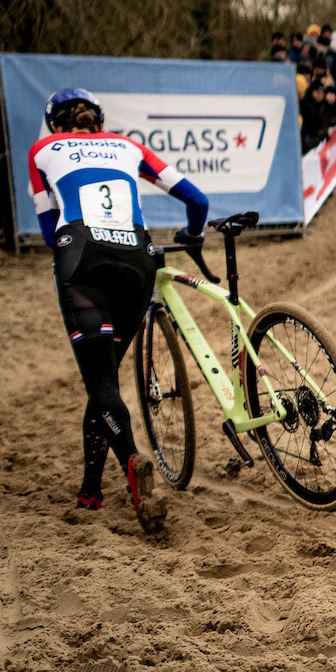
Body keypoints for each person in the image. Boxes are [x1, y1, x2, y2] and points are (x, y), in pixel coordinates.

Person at [29, 88, 208, 531]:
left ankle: (130, 460)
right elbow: (198, 201)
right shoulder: (129, 146)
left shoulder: (42, 149)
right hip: (137, 259)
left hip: (83, 254)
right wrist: (193, 234)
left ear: (56, 123)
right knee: (105, 376)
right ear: (98, 120)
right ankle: (91, 488)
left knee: (101, 380)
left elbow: (51, 233)